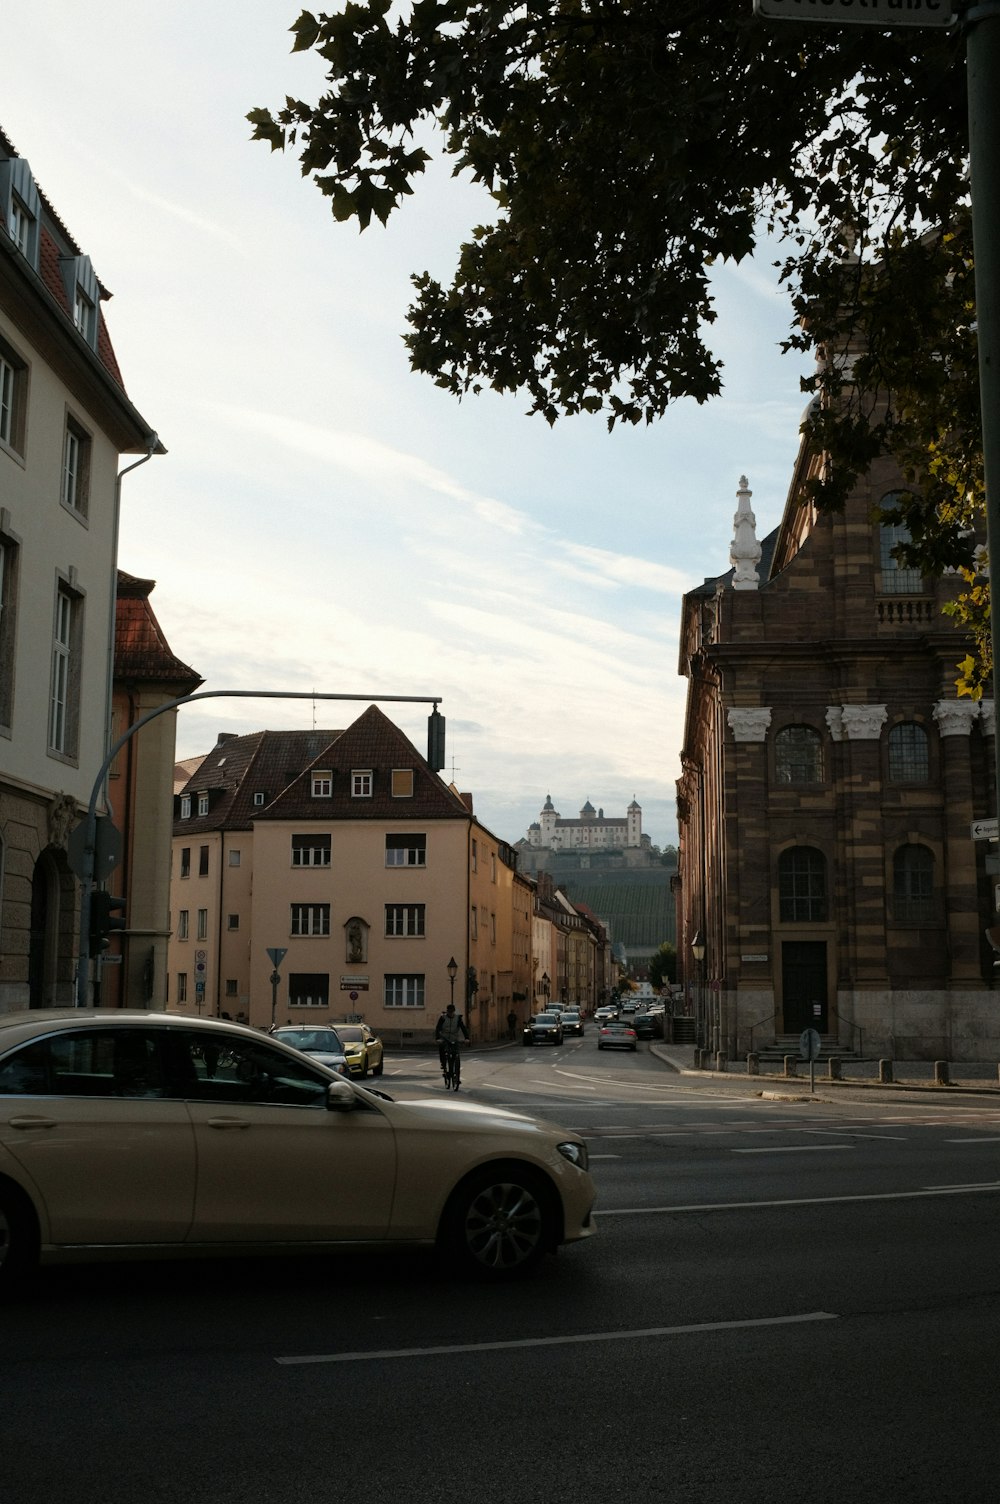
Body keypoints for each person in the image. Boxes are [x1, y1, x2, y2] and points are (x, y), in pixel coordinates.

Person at [435, 1002, 469, 1071]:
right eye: (449, 1012)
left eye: (452, 1012)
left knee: (455, 1052)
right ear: (447, 1011)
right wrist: (438, 1038)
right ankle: (443, 1064)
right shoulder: (443, 1018)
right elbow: (438, 1028)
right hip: (445, 1038)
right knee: (442, 1048)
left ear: (454, 1011)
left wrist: (467, 1038)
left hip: (454, 1038)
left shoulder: (458, 1018)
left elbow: (463, 1028)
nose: (450, 1013)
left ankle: (456, 1072)